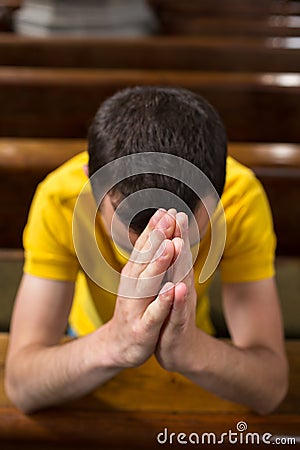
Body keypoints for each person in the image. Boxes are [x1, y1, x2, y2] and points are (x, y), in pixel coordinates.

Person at [5, 86, 288, 414]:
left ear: (221, 195)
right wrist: (115, 343)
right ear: (91, 187)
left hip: (197, 338)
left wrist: (192, 349)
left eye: (183, 237)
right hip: (86, 337)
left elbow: (270, 387)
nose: (152, 257)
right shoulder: (61, 198)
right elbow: (22, 386)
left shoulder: (241, 197)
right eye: (129, 238)